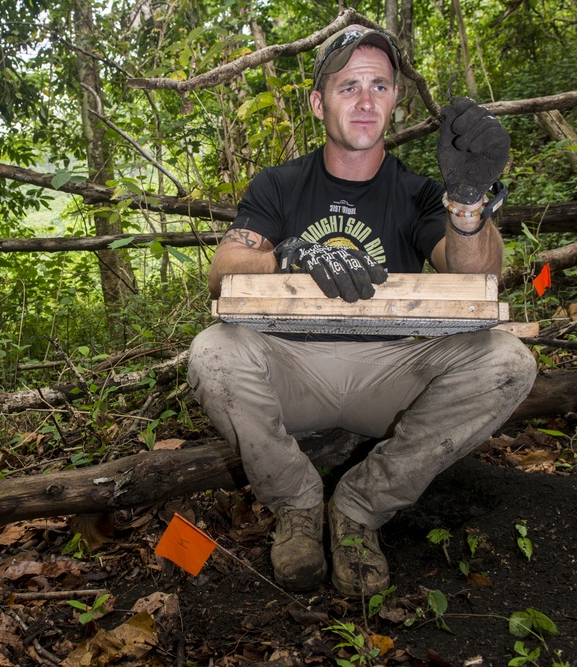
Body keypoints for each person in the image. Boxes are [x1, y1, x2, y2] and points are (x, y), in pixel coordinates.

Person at [186, 24, 538, 596]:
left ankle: (359, 507)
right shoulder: (279, 185)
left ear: (397, 98)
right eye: (349, 86)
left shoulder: (420, 191)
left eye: (380, 84)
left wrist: (469, 202)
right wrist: (287, 259)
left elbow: (477, 276)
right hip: (294, 371)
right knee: (213, 352)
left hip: (392, 376)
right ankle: (298, 503)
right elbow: (223, 271)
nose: (366, 100)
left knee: (508, 361)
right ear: (317, 101)